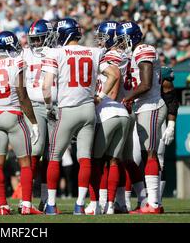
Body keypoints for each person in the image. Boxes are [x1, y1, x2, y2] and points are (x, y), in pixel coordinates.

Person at [42, 18, 105, 215]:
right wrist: (100, 96)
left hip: (67, 109)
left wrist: (48, 106)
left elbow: (46, 87)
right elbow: (111, 75)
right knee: (84, 158)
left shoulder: (56, 52)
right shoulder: (95, 52)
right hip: (88, 109)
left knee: (54, 157)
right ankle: (79, 204)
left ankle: (51, 204)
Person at [0, 31, 42, 215]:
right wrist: (34, 122)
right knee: (25, 163)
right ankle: (27, 206)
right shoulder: (16, 62)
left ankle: (2, 206)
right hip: (13, 114)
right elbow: (22, 96)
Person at [116, 21, 168, 214]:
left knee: (151, 153)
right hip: (143, 107)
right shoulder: (136, 52)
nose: (121, 44)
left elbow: (145, 84)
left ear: (133, 37)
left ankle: (154, 204)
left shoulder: (144, 49)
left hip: (151, 106)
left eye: (123, 39)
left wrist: (127, 98)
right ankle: (151, 202)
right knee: (147, 154)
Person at [87, 21, 129, 215]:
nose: (100, 41)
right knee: (114, 161)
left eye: (103, 37)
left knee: (95, 161)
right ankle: (112, 204)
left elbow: (114, 79)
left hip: (107, 111)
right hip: (123, 111)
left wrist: (100, 98)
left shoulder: (109, 56)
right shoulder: (123, 54)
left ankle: (98, 202)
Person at [22, 19, 57, 212]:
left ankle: (47, 199)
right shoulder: (26, 53)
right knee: (35, 153)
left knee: (52, 154)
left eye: (39, 39)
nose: (35, 43)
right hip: (35, 105)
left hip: (53, 104)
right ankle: (27, 200)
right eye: (33, 39)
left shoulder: (55, 51)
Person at [158, 66, 180, 205]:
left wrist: (171, 126)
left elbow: (172, 101)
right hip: (134, 116)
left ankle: (155, 201)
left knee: (158, 160)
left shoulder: (162, 74)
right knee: (131, 160)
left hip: (156, 117)